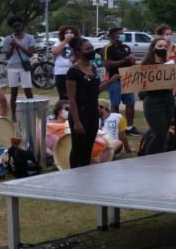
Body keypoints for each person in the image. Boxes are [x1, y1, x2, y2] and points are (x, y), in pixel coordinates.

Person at [65, 37, 110, 167]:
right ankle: (74, 173)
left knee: (88, 146)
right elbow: (72, 98)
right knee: (78, 147)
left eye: (91, 48)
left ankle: (85, 173)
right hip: (79, 113)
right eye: (88, 49)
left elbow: (95, 91)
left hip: (92, 113)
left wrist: (111, 81)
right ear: (79, 52)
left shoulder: (93, 69)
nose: (91, 51)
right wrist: (77, 121)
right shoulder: (73, 71)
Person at [102, 28, 139, 135]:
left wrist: (132, 61)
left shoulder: (126, 47)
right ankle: (115, 127)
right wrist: (124, 60)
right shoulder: (107, 48)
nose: (123, 35)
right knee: (115, 103)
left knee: (130, 102)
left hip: (127, 79)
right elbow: (107, 64)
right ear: (113, 35)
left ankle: (130, 127)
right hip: (114, 79)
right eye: (120, 34)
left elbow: (131, 61)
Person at [1, 16, 36, 119]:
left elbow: (30, 54)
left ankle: (32, 113)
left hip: (24, 66)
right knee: (14, 92)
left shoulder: (29, 38)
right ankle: (13, 116)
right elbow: (7, 56)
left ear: (22, 25)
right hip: (12, 67)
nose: (17, 28)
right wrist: (12, 46)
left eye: (19, 25)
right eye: (14, 26)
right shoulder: (8, 39)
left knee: (28, 91)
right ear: (11, 27)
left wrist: (18, 45)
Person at [50, 26, 78, 101]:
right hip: (60, 72)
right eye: (66, 33)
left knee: (75, 94)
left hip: (73, 71)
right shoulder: (59, 42)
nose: (69, 34)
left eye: (71, 33)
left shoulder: (77, 43)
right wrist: (65, 41)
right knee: (63, 95)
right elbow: (55, 52)